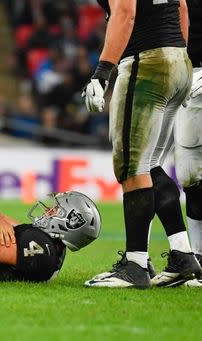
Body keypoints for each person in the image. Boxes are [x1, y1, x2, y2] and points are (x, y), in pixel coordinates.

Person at [82, 0, 201, 288]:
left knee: (131, 166)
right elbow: (181, 7)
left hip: (145, 61)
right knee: (150, 165)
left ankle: (135, 265)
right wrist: (179, 60)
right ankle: (183, 254)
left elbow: (126, 11)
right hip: (179, 59)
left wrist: (102, 72)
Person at [154, 0, 202, 288]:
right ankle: (195, 257)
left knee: (191, 173)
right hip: (184, 74)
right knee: (189, 175)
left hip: (194, 74)